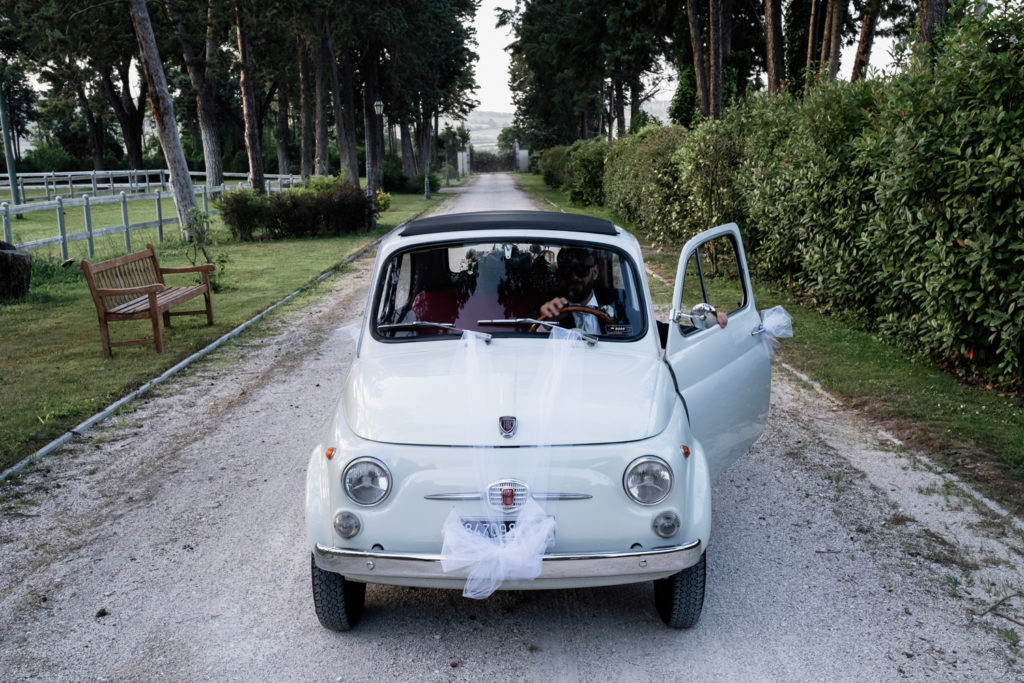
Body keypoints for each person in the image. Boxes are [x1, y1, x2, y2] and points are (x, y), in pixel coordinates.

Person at [539, 247, 617, 334]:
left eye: (581, 270)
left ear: (595, 272)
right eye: (566, 271)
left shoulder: (616, 302)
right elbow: (530, 343)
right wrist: (545, 325)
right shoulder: (546, 307)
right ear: (559, 275)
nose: (574, 277)